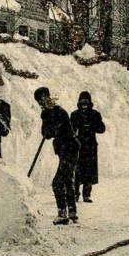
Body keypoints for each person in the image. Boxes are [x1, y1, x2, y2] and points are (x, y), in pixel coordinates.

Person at [34, 87, 80, 225]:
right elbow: (46, 134)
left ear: (48, 97)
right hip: (63, 150)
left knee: (57, 182)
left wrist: (51, 128)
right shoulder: (46, 113)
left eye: (43, 98)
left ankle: (62, 214)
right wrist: (47, 127)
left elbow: (61, 130)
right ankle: (72, 211)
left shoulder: (60, 112)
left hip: (70, 148)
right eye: (39, 101)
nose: (42, 102)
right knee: (66, 179)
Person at [70, 91, 106, 203]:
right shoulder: (74, 114)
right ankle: (75, 194)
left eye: (86, 102)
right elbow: (70, 130)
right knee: (77, 170)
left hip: (90, 146)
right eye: (82, 102)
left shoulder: (95, 114)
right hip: (78, 146)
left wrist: (92, 126)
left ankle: (86, 195)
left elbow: (102, 129)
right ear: (79, 103)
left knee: (89, 171)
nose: (84, 104)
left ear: (90, 102)